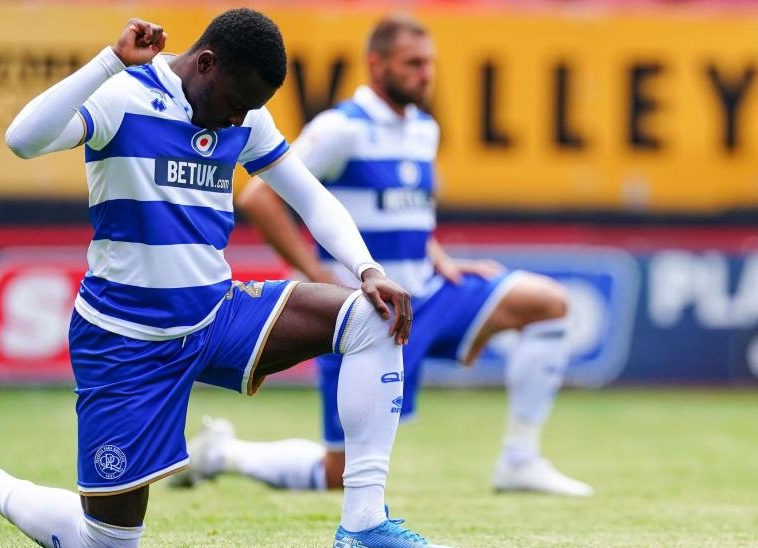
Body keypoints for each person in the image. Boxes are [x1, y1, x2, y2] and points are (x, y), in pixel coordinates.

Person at [0, 9, 462, 548]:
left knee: (373, 314)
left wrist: (368, 270)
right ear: (206, 64)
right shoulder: (122, 95)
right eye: (234, 104)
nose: (237, 120)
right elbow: (22, 140)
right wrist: (109, 61)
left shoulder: (243, 115)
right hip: (124, 339)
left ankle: (364, 525)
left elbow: (311, 197)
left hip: (215, 316)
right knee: (106, 542)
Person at [174, 15, 593, 497]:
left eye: (430, 63)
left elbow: (406, 208)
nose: (426, 74)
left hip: (429, 295)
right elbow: (258, 198)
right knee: (340, 475)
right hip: (369, 308)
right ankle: (223, 454)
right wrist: (318, 277)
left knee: (547, 303)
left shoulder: (424, 129)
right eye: (413, 63)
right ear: (377, 65)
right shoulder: (341, 128)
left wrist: (441, 258)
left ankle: (520, 460)